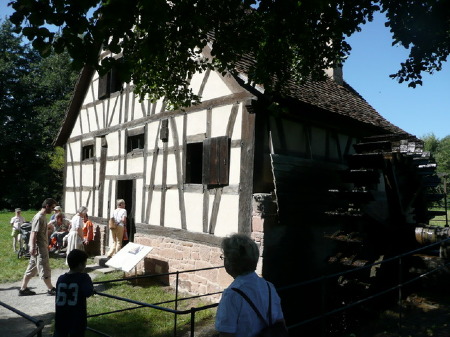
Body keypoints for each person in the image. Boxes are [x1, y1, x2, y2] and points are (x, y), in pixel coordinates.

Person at [215, 234, 286, 337]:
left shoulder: (231, 295)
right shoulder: (268, 287)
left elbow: (226, 334)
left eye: (224, 257)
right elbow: (280, 322)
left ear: (231, 262)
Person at [19, 198, 58, 296]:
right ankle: (50, 288)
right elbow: (33, 233)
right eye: (52, 207)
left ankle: (23, 289)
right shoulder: (39, 217)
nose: (53, 210)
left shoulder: (43, 217)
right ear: (47, 206)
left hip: (41, 246)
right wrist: (32, 247)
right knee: (44, 267)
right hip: (39, 248)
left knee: (32, 268)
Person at [54, 249, 95, 337]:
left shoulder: (61, 278)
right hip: (77, 317)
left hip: (61, 316)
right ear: (80, 265)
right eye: (85, 263)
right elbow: (88, 292)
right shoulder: (84, 277)